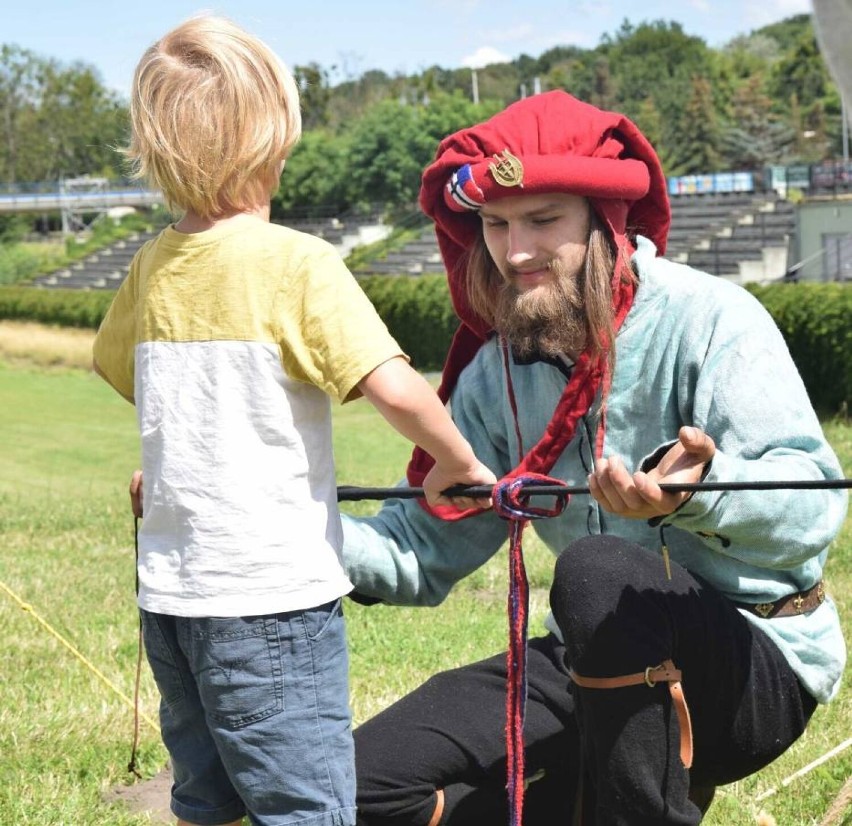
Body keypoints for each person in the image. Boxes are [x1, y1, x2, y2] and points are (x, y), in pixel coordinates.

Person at [340, 90, 848, 825]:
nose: (515, 252)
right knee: (361, 788)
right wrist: (290, 533)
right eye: (496, 224)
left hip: (754, 658)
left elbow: (814, 513)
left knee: (599, 572)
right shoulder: (497, 372)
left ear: (605, 221)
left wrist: (702, 497)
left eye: (543, 220)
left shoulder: (712, 320)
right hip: (594, 653)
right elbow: (421, 547)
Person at [93, 15, 495, 826]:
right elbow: (395, 387)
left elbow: (133, 373)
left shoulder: (150, 264)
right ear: (275, 137)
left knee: (206, 798)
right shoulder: (298, 262)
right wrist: (457, 460)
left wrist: (179, 463)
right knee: (306, 803)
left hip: (171, 603)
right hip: (271, 603)